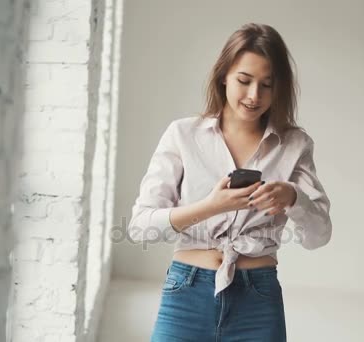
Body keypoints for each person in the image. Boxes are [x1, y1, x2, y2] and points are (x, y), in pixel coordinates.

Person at [128, 23, 332, 342]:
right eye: (244, 80)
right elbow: (140, 227)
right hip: (186, 292)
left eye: (267, 85)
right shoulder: (182, 135)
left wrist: (293, 198)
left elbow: (318, 236)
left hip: (258, 299)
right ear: (223, 75)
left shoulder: (295, 145)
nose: (254, 96)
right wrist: (210, 207)